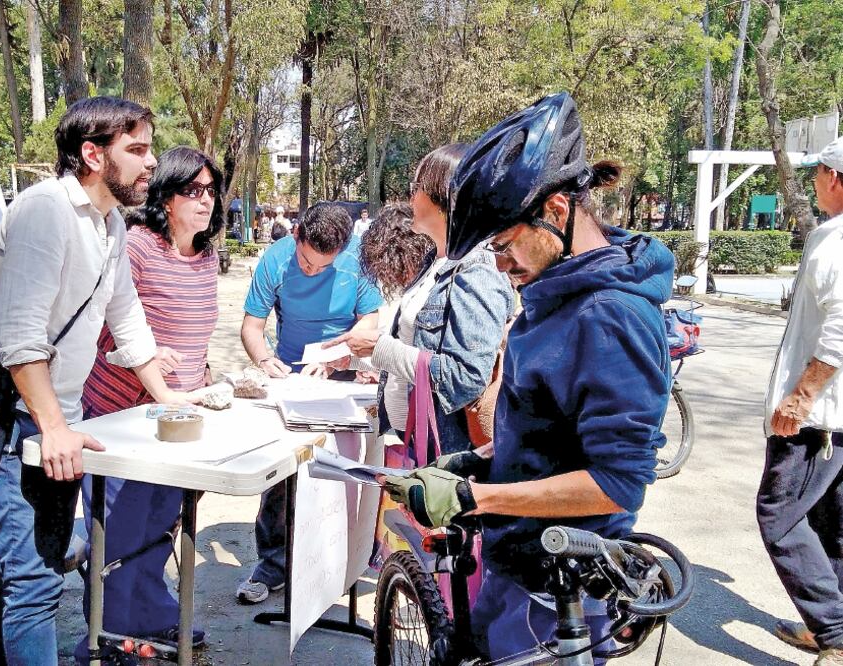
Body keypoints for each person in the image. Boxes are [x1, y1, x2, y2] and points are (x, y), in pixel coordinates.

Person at [380, 92, 673, 661]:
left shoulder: (609, 316)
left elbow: (617, 481)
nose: (498, 263)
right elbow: (555, 435)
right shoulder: (555, 291)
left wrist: (476, 495)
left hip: (559, 589)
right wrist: (480, 459)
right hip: (519, 564)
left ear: (557, 212)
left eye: (504, 243)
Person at [0, 96, 196, 665]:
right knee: (37, 583)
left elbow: (128, 319)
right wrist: (54, 428)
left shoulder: (110, 223)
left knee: (31, 571)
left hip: (56, 424)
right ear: (92, 155)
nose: (150, 163)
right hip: (12, 418)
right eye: (137, 150)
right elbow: (18, 339)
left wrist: (171, 399)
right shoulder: (45, 210)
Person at [74, 147, 224, 663]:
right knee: (118, 529)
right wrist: (141, 358)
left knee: (163, 522)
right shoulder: (135, 247)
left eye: (210, 191)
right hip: (120, 418)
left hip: (179, 419)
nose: (205, 201)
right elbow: (96, 328)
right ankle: (108, 632)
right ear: (166, 196)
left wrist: (207, 386)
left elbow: (198, 336)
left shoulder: (208, 256)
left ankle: (152, 612)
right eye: (193, 190)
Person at [237, 202, 384, 603]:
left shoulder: (357, 260)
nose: (312, 271)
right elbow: (252, 326)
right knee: (283, 471)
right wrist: (265, 359)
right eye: (305, 261)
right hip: (288, 374)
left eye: (324, 267)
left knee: (350, 465)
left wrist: (346, 356)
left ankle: (346, 559)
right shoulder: (276, 257)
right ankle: (273, 564)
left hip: (344, 373)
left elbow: (370, 322)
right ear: (297, 235)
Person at [327, 144, 514, 457]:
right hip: (417, 440)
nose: (409, 199)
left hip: (450, 452)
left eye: (416, 188)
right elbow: (417, 348)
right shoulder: (435, 262)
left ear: (444, 197)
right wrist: (359, 358)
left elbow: (465, 378)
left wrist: (381, 349)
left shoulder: (477, 269)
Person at [759, 137, 843, 666]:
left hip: (819, 417)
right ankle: (831, 624)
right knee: (832, 522)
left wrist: (800, 398)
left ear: (835, 178)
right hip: (837, 416)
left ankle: (834, 632)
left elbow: (841, 326)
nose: (813, 181)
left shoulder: (834, 241)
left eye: (818, 172)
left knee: (780, 514)